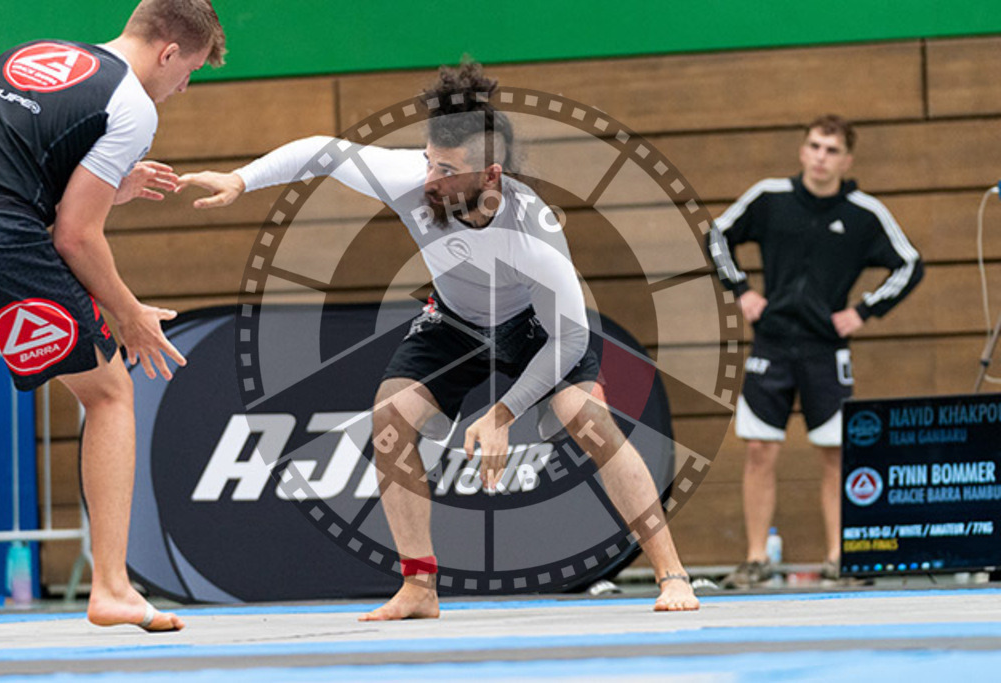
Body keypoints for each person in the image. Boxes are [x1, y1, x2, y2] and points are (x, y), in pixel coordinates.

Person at [178, 62, 700, 617]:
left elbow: (567, 344)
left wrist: (502, 413)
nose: (430, 178)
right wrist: (241, 179)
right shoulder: (412, 179)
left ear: (491, 176)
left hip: (536, 332)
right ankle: (419, 588)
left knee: (588, 420)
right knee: (390, 421)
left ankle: (672, 575)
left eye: (447, 169)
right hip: (453, 322)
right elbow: (320, 152)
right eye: (428, 160)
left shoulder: (534, 230)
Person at [0, 0, 226, 630]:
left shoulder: (27, 55)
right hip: (0, 239)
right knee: (110, 392)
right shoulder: (132, 106)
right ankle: (112, 588)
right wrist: (129, 313)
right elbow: (74, 236)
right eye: (189, 71)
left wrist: (115, 183)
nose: (184, 87)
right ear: (169, 52)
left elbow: (14, 168)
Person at [707, 114, 923, 587]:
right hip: (773, 346)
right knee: (760, 450)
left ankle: (839, 559)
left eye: (831, 150)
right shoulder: (769, 198)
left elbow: (909, 264)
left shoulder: (865, 212)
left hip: (827, 351)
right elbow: (716, 234)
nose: (821, 157)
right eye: (815, 146)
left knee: (835, 452)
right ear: (803, 151)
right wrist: (741, 290)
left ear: (847, 159)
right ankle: (756, 559)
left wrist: (864, 312)